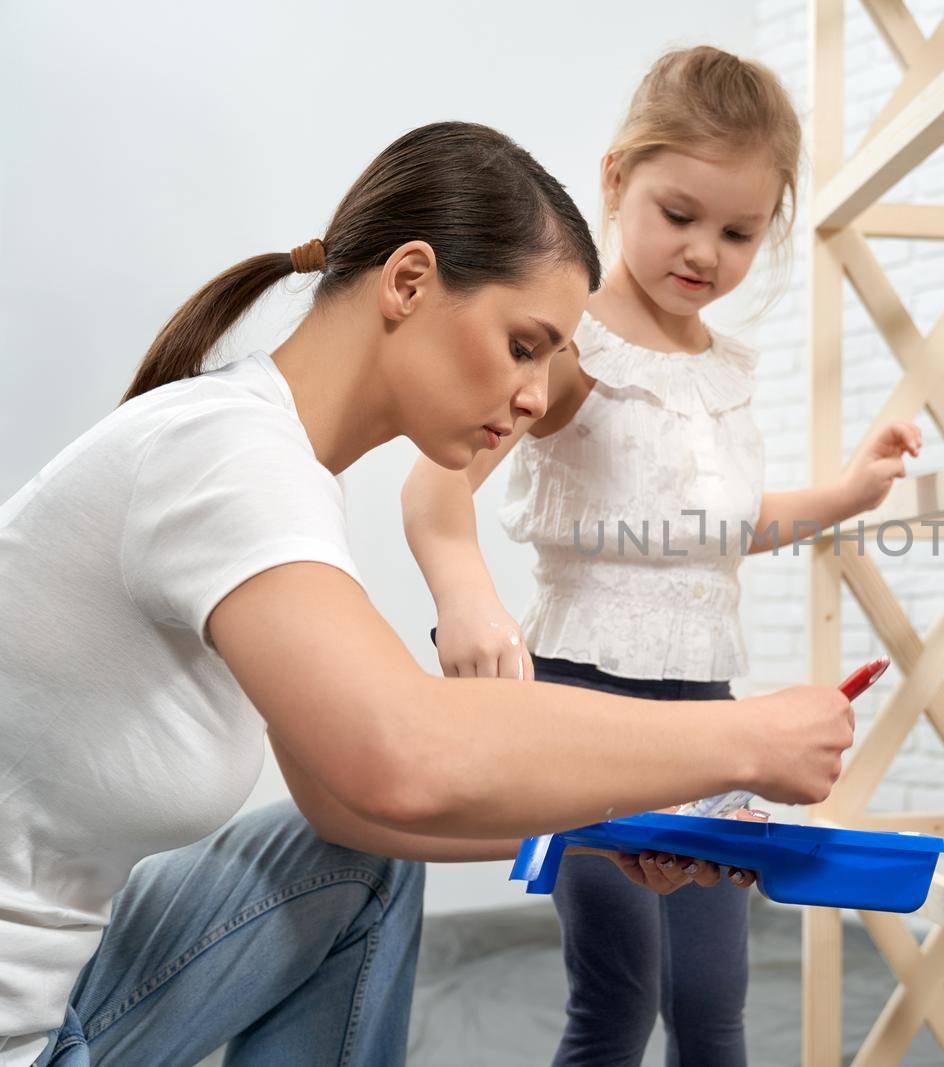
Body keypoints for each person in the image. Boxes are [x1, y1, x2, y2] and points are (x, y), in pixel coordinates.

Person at [0, 120, 855, 1067]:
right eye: (524, 345)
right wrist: (748, 741)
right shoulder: (229, 459)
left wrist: (601, 832)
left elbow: (344, 808)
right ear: (408, 282)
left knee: (363, 862)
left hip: (71, 977)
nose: (536, 396)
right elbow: (402, 757)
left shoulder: (272, 471)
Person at [402, 51, 920, 1067]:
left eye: (738, 231)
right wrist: (466, 600)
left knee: (714, 1002)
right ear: (614, 179)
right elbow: (433, 486)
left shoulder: (720, 369)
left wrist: (849, 492)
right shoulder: (570, 346)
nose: (705, 251)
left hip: (705, 705)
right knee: (619, 996)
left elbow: (716, 524)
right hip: (581, 698)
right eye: (678, 213)